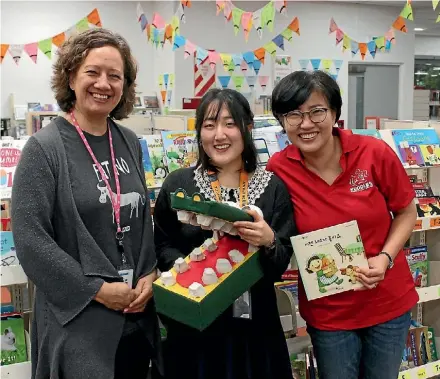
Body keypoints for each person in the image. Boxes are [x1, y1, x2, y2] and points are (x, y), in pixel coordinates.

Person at [11, 28, 162, 379]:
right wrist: (95, 290)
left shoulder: (127, 141)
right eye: (92, 72)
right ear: (71, 77)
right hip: (78, 328)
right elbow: (31, 242)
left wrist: (150, 272)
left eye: (115, 75)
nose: (103, 84)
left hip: (136, 323)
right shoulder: (44, 149)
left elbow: (140, 221)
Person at [268, 70, 418, 379]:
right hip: (329, 313)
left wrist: (385, 257)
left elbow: (406, 211)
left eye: (317, 111)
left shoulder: (373, 153)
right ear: (282, 122)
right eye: (293, 115)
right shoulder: (278, 169)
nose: (306, 124)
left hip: (387, 302)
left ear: (335, 112)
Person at [154, 88, 296, 379]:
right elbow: (161, 244)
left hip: (256, 328)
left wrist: (268, 240)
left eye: (230, 124)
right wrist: (194, 269)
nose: (219, 135)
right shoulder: (178, 184)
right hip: (195, 326)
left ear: (248, 128)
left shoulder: (273, 188)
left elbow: (281, 262)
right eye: (209, 125)